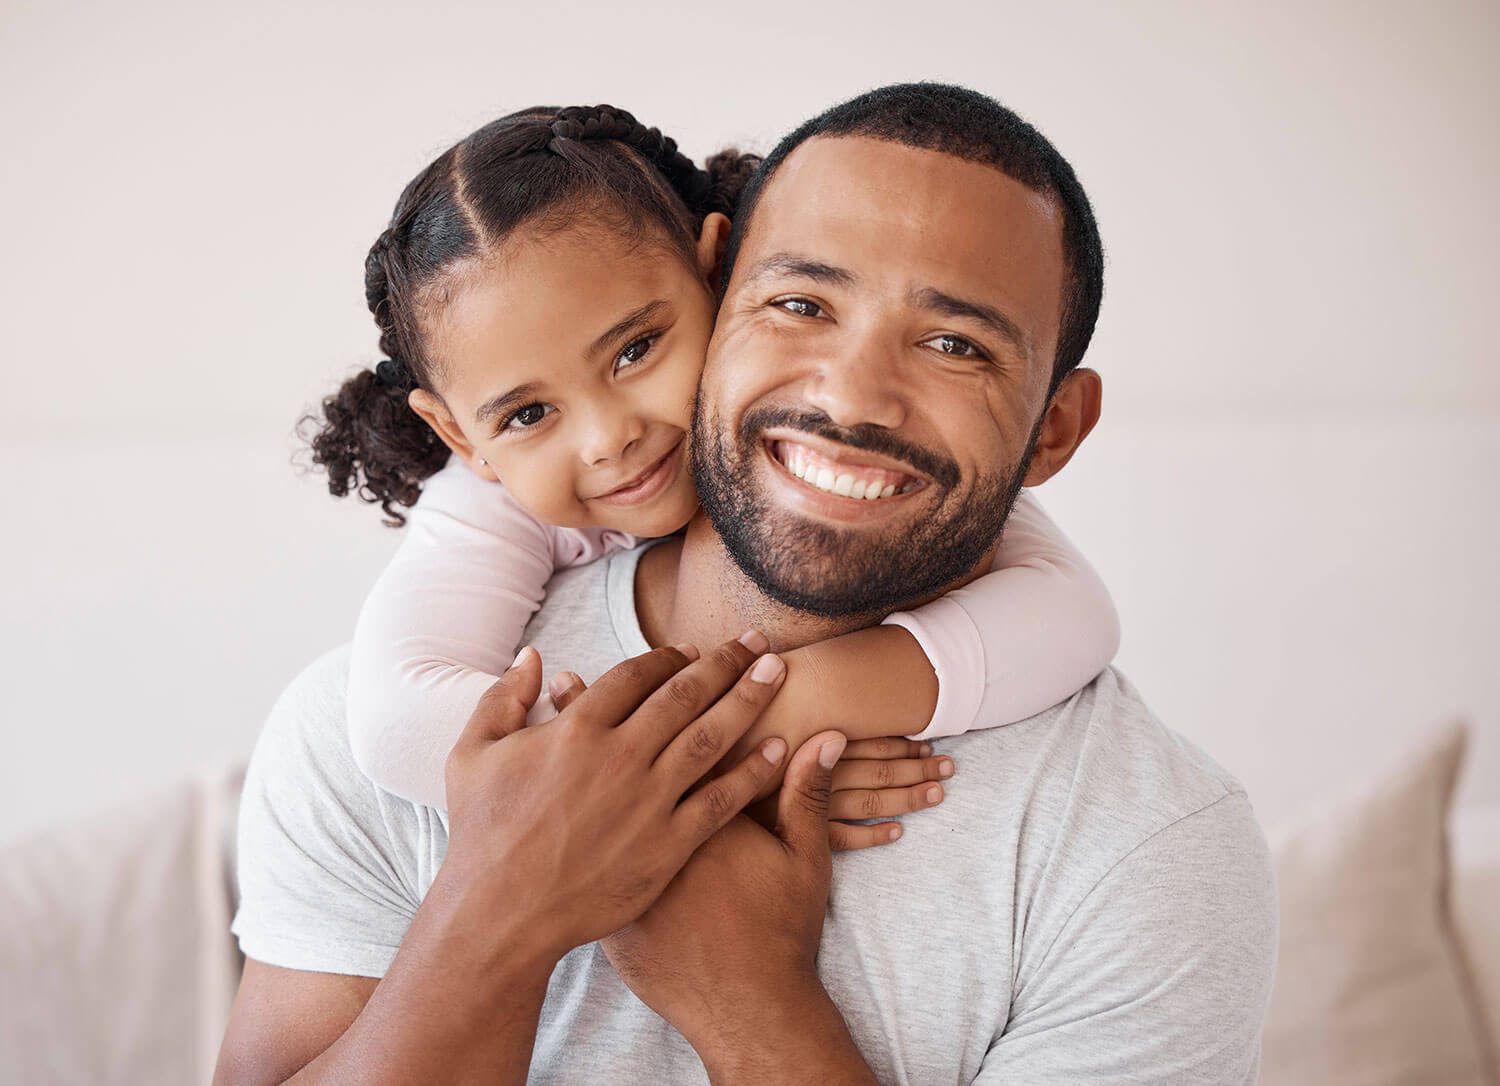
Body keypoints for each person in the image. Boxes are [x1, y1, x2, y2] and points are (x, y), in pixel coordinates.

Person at [219, 83, 1278, 1084]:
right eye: (803, 303)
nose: (855, 396)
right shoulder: (374, 730)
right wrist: (502, 906)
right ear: (726, 292)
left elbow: (1074, 615)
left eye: (955, 344)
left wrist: (748, 1001)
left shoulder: (1149, 848)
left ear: (1055, 428)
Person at [301, 104, 1120, 819]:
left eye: (635, 351)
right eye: (528, 413)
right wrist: (715, 767)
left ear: (716, 274)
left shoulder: (849, 453)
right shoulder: (488, 506)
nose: (606, 436)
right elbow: (397, 723)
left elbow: (1075, 615)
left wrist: (802, 708)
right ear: (462, 439)